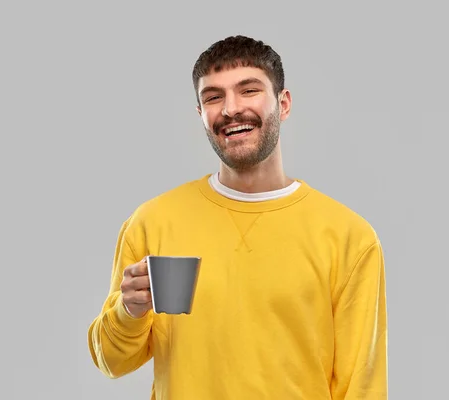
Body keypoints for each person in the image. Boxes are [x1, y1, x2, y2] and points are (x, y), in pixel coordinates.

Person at [88, 35, 388, 399]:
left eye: (249, 90)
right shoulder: (153, 222)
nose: (230, 108)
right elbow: (111, 360)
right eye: (213, 97)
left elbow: (362, 387)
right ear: (200, 114)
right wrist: (129, 312)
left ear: (284, 103)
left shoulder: (348, 237)